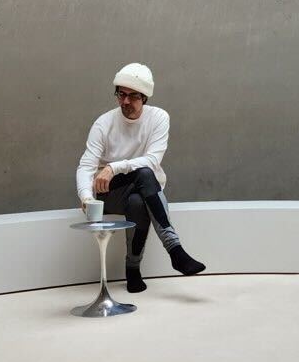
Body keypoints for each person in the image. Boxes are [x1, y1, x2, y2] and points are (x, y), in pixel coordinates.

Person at [76, 63, 206, 293]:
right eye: (121, 94)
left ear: (144, 97)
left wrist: (114, 167)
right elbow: (86, 165)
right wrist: (86, 197)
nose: (125, 101)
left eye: (133, 96)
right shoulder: (104, 123)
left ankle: (133, 269)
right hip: (111, 192)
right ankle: (175, 250)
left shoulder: (159, 118)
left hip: (143, 189)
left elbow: (153, 160)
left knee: (138, 198)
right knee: (144, 174)